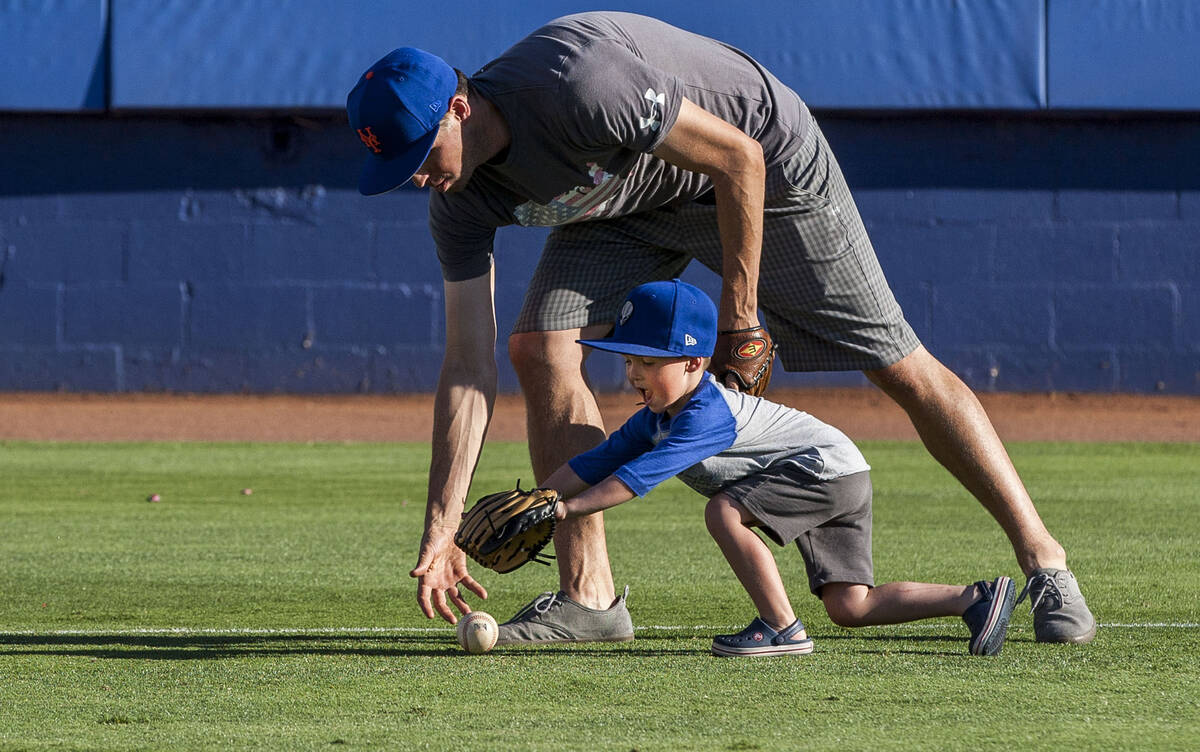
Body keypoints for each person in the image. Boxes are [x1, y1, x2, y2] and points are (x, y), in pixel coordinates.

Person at [345, 12, 1095, 645]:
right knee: (537, 345)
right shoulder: (459, 201)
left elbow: (739, 159)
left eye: (419, 155)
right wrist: (441, 527)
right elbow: (468, 366)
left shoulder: (578, 83)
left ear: (459, 108)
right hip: (630, 207)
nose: (417, 177)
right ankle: (590, 598)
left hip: (761, 165)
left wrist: (740, 322)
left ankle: (1044, 560)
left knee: (894, 361)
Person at [524, 279, 1016, 656]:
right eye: (631, 360)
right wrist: (538, 498)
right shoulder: (654, 419)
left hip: (823, 469)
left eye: (650, 362)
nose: (634, 373)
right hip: (841, 469)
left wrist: (563, 512)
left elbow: (633, 480)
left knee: (724, 512)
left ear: (695, 363)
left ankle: (780, 627)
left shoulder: (705, 416)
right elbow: (596, 462)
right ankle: (974, 598)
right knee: (850, 606)